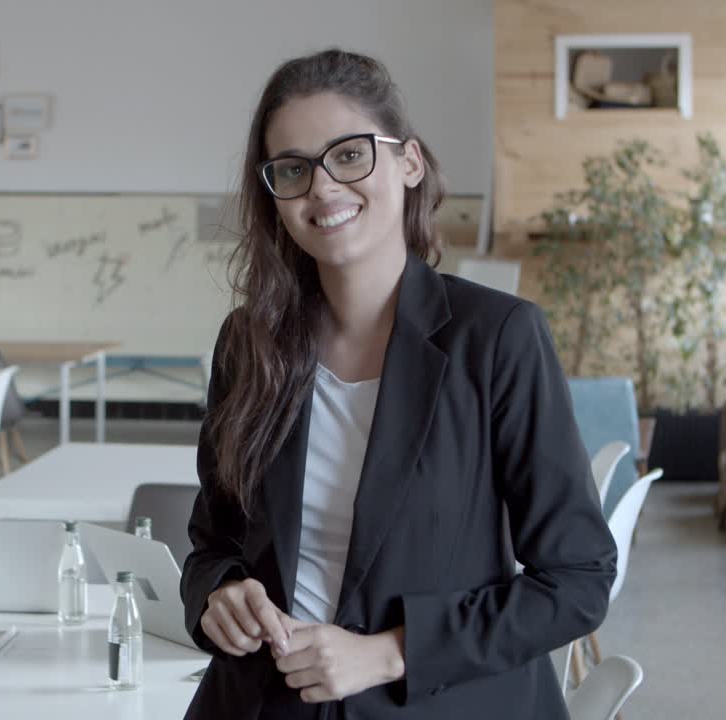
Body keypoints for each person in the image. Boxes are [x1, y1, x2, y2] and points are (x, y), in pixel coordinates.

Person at [181, 48, 616, 719]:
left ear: (409, 162)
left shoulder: (498, 338)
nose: (323, 188)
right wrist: (220, 595)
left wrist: (390, 651)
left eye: (350, 155)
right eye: (293, 169)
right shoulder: (251, 342)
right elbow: (213, 545)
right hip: (267, 704)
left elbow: (578, 581)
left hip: (439, 702)